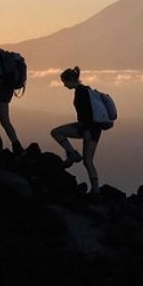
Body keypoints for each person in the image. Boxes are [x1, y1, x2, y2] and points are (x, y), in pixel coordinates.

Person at [50, 66, 104, 197]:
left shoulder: (81, 92)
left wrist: (86, 130)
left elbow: (86, 114)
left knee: (56, 132)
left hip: (86, 128)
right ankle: (96, 191)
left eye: (65, 82)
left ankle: (72, 153)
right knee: (88, 161)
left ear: (70, 80)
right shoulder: (86, 90)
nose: (64, 85)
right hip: (95, 129)